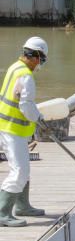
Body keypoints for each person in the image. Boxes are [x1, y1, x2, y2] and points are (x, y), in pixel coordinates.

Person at [0, 37, 48, 227]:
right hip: (13, 129)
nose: (40, 64)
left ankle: (22, 206)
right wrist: (39, 118)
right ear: (36, 56)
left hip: (9, 126)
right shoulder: (26, 76)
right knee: (19, 171)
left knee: (24, 167)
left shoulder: (14, 67)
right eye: (42, 60)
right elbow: (26, 105)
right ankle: (3, 212)